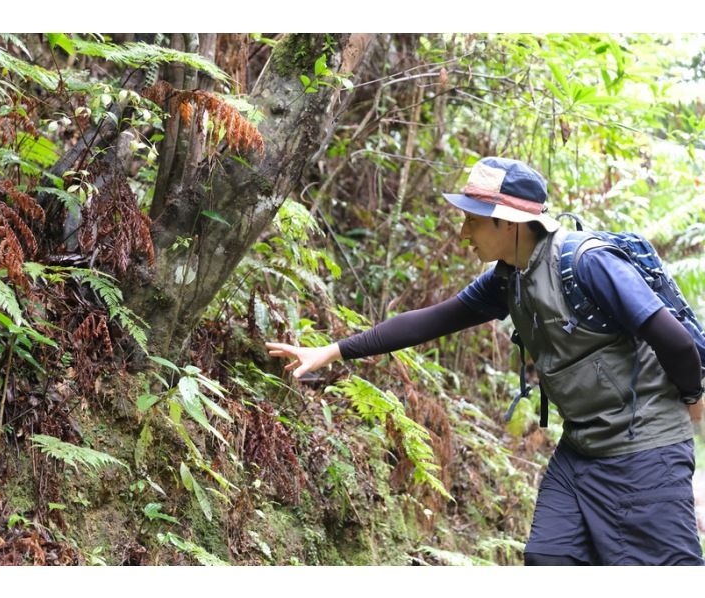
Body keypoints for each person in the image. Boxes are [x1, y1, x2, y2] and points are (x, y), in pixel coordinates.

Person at [266, 156, 705, 566]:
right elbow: (431, 321)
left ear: (508, 222)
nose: (464, 233)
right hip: (582, 452)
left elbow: (675, 340)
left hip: (643, 451)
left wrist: (691, 396)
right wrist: (333, 350)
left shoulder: (587, 263)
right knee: (550, 558)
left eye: (472, 221)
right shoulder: (508, 279)